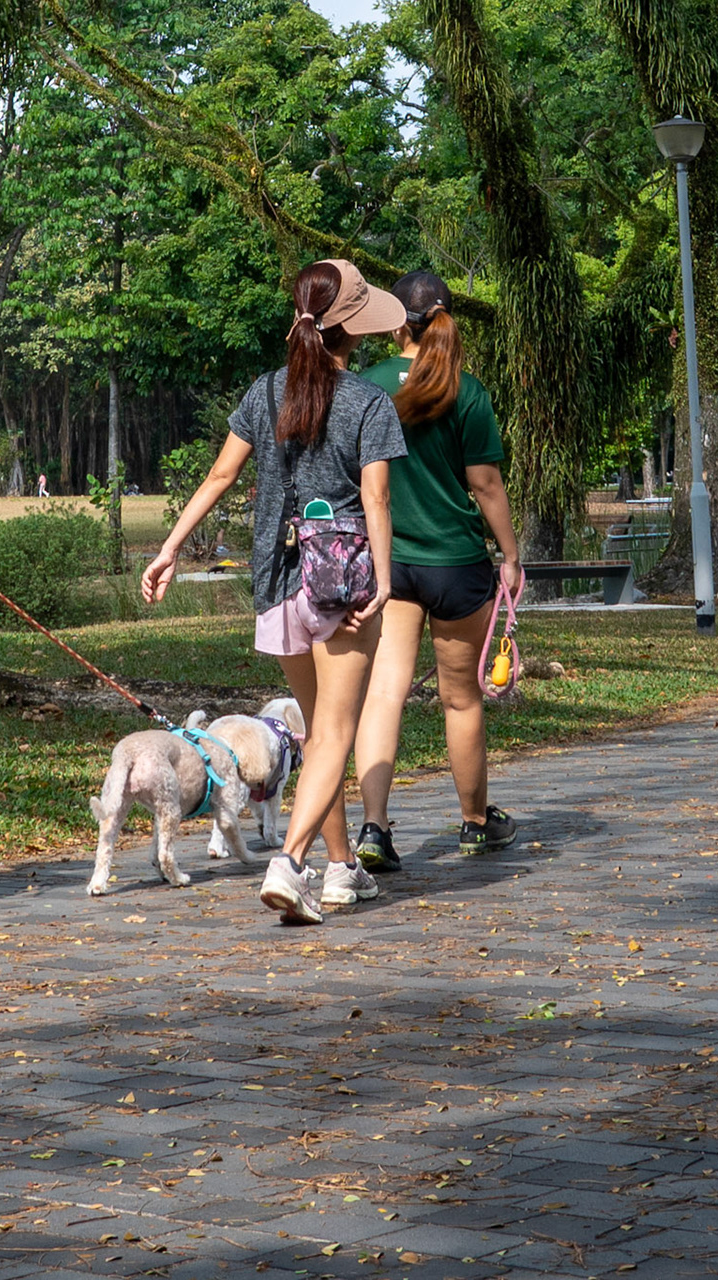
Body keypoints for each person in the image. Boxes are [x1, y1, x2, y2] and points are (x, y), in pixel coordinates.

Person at [143, 260, 408, 922]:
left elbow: (219, 476)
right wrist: (385, 579)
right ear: (354, 326)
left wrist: (170, 548)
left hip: (277, 581)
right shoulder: (369, 402)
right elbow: (377, 498)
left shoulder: (264, 393)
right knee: (334, 736)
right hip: (342, 583)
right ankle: (289, 864)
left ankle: (342, 868)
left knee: (320, 734)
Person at [351, 274, 523, 871]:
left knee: (385, 694)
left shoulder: (367, 385)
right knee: (461, 700)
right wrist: (511, 556)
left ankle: (374, 829)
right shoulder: (466, 390)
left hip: (391, 564)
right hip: (457, 565)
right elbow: (486, 484)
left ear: (396, 322)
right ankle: (476, 825)